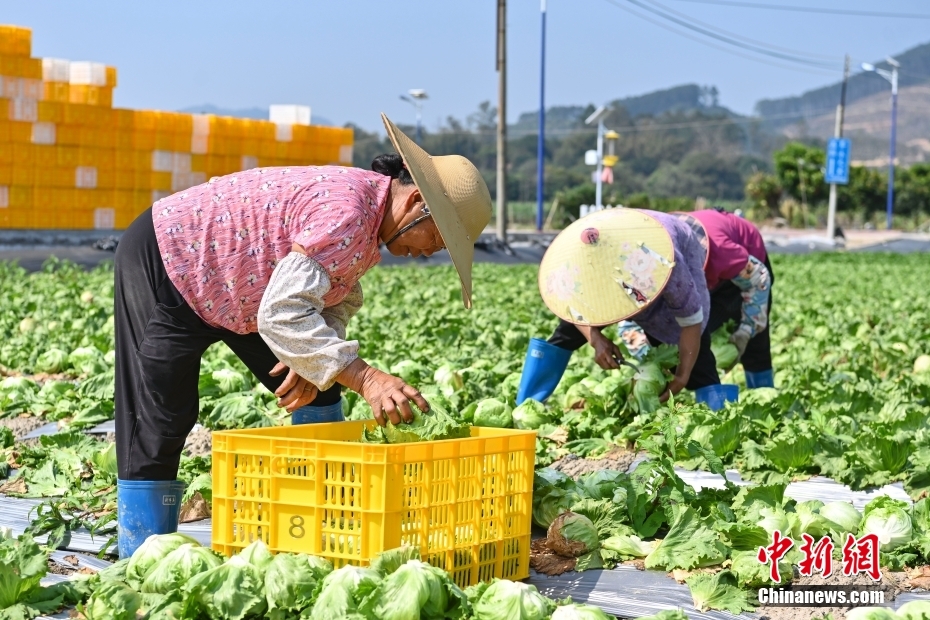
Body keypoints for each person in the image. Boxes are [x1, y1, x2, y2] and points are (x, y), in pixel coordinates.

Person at [113, 114, 492, 558]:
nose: (428, 252)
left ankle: (315, 523)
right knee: (162, 415)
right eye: (437, 239)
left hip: (247, 289)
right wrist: (368, 378)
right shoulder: (349, 212)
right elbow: (283, 313)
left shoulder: (370, 223)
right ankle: (140, 555)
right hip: (171, 261)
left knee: (320, 392)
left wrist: (314, 365)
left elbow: (330, 298)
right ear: (414, 204)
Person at [518, 207, 734, 410]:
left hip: (668, 247)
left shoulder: (663, 263)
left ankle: (717, 414)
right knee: (568, 331)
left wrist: (682, 376)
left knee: (687, 350)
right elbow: (574, 306)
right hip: (613, 249)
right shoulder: (578, 261)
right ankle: (527, 401)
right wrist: (595, 338)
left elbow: (691, 320)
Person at [675, 208, 774, 389]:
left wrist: (746, 329)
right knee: (697, 333)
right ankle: (708, 397)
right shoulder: (657, 260)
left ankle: (765, 396)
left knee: (754, 345)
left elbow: (759, 280)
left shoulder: (721, 253)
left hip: (748, 267)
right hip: (713, 266)